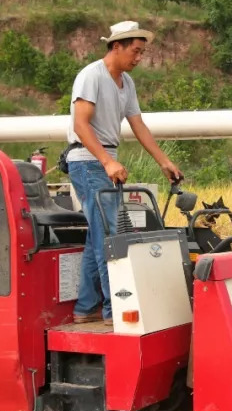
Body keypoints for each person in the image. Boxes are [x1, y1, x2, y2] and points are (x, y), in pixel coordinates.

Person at [67, 21, 182, 323]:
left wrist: (163, 161)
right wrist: (106, 161)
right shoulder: (91, 76)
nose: (139, 58)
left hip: (106, 159)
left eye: (142, 53)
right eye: (135, 51)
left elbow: (137, 124)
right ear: (116, 46)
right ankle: (113, 310)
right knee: (111, 236)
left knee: (100, 234)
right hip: (88, 159)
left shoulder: (126, 83)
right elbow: (81, 125)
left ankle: (86, 307)